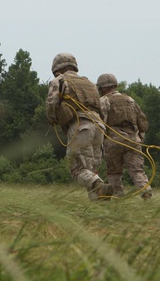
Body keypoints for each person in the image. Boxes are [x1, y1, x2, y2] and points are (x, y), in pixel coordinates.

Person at [45, 53, 113, 201]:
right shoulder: (89, 84)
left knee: (77, 169)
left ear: (57, 69)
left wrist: (52, 119)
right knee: (91, 169)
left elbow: (51, 103)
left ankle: (98, 184)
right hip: (99, 127)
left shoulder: (59, 81)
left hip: (81, 127)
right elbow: (101, 106)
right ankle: (99, 207)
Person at [96, 73, 153, 199]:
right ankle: (146, 193)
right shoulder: (130, 100)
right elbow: (143, 122)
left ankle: (118, 198)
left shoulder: (103, 101)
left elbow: (100, 124)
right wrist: (139, 139)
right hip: (133, 140)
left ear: (102, 88)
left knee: (114, 172)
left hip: (113, 141)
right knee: (137, 170)